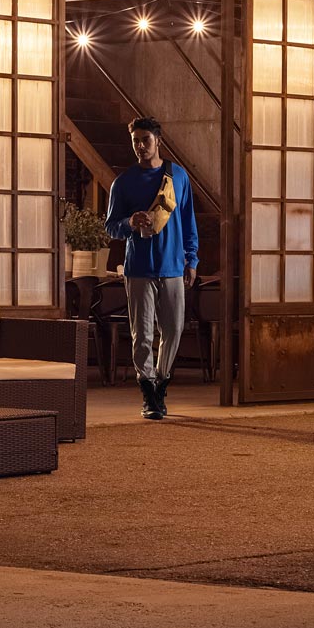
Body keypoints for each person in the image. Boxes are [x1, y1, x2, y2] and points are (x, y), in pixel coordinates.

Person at [105, 117, 199, 419]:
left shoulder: (178, 177)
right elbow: (111, 227)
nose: (140, 146)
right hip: (139, 269)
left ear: (158, 140)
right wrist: (129, 223)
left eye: (145, 139)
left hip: (173, 267)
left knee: (173, 329)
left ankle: (161, 380)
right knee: (142, 335)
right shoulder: (124, 182)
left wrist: (191, 259)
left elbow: (188, 222)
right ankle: (148, 391)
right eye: (136, 141)